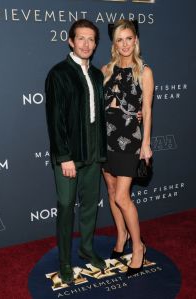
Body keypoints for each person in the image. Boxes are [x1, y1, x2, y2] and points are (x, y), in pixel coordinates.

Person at [45, 19, 107, 284]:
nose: (86, 44)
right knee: (67, 208)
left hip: (94, 155)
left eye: (91, 39)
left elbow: (99, 116)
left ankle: (86, 248)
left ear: (95, 44)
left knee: (90, 207)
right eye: (81, 38)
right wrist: (65, 157)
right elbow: (55, 119)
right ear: (70, 41)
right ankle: (65, 261)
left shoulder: (96, 75)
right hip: (69, 158)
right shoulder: (58, 73)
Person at [102, 19, 154, 276]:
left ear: (135, 40)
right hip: (106, 139)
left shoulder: (143, 71)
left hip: (129, 140)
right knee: (111, 191)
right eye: (119, 40)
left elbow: (147, 110)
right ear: (114, 43)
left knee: (123, 197)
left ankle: (138, 247)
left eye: (128, 39)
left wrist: (145, 143)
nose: (124, 44)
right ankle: (121, 236)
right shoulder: (106, 70)